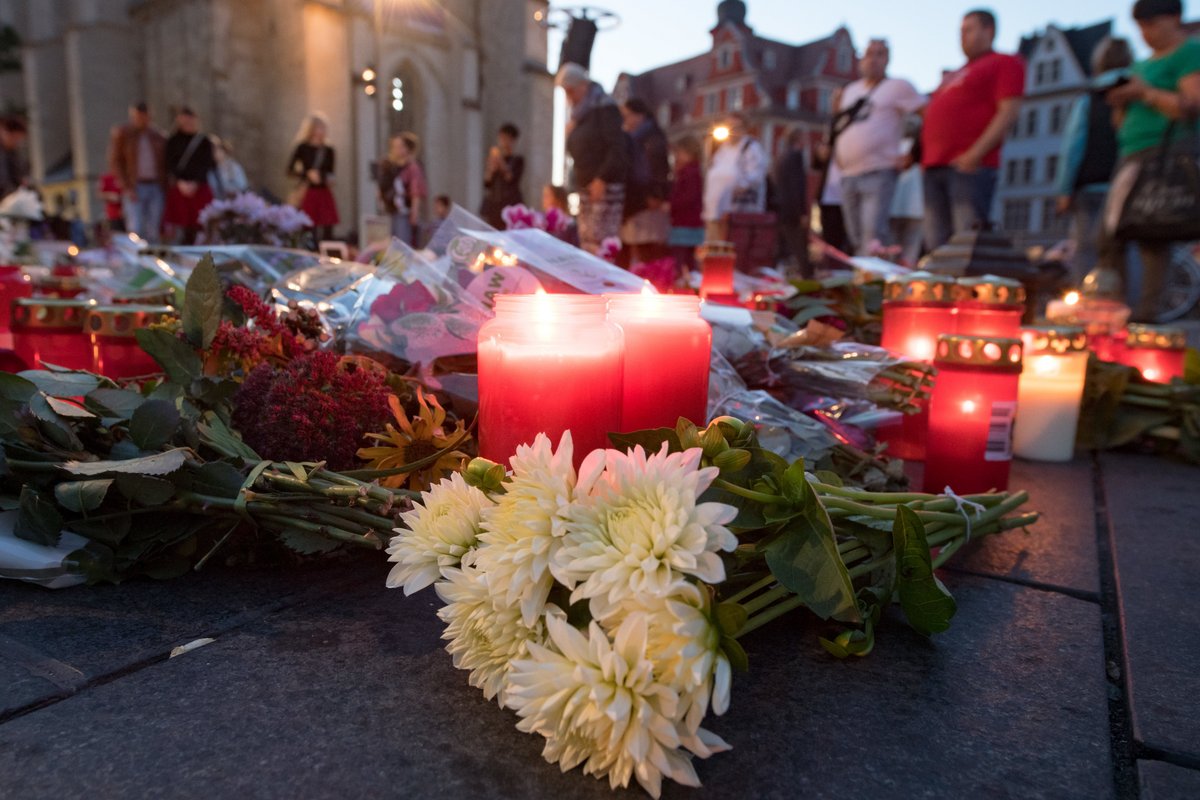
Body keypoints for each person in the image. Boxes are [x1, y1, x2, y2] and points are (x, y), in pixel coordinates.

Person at [1101, 0, 1200, 321]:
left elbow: (1190, 105)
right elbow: (1121, 126)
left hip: (1165, 155)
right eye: (1141, 27)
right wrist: (1120, 103)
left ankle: (1145, 319)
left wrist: (1145, 93)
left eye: (1152, 24)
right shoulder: (1140, 66)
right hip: (1132, 155)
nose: (1146, 33)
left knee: (1154, 235)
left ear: (1174, 18)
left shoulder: (1188, 52)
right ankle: (1112, 313)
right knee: (1111, 234)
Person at [921, 9, 1025, 250]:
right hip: (934, 165)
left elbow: (1008, 111)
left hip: (968, 165)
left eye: (968, 30)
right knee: (936, 243)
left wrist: (976, 153)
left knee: (966, 244)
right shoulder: (955, 74)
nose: (962, 37)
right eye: (961, 32)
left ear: (988, 30)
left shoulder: (1004, 63)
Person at [1053, 38, 1134, 284]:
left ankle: (1086, 306)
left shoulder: (1090, 98)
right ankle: (1129, 309)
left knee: (1086, 248)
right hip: (1130, 183)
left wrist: (1064, 190)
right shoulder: (1138, 90)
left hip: (1092, 185)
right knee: (1128, 248)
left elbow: (1073, 147)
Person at [834, 39, 926, 255]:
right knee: (856, 237)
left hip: (879, 170)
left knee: (873, 237)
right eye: (869, 54)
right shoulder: (850, 90)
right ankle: (864, 281)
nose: (873, 60)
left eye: (880, 54)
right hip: (848, 173)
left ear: (887, 59)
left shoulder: (898, 86)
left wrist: (914, 153)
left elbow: (928, 115)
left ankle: (874, 284)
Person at [556, 63, 629, 254]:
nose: (568, 97)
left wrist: (602, 178)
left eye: (570, 90)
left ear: (583, 85)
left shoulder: (605, 107)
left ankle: (604, 283)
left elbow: (617, 147)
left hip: (604, 186)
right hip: (586, 185)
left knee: (601, 245)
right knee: (587, 242)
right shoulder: (580, 114)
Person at [620, 98, 671, 264]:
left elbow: (658, 169)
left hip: (647, 201)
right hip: (638, 201)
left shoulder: (651, 139)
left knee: (646, 252)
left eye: (627, 116)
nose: (625, 121)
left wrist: (655, 195)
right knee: (637, 248)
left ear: (639, 116)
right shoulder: (636, 139)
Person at [702, 115, 768, 241]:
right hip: (716, 212)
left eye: (736, 127)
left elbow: (755, 176)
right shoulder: (723, 149)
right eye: (729, 127)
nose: (732, 131)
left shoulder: (751, 148)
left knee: (733, 249)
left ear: (744, 129)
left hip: (739, 212)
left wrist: (738, 187)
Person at [108, 102, 166, 240]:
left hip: (156, 185)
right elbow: (116, 161)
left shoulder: (157, 136)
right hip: (135, 186)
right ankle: (136, 258)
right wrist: (126, 186)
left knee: (153, 227)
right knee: (136, 227)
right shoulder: (124, 135)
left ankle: (153, 259)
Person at [162, 107, 216, 245]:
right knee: (180, 223)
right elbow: (169, 162)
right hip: (180, 187)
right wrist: (181, 182)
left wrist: (195, 182)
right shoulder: (173, 141)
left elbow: (207, 163)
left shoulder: (204, 141)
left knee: (201, 223)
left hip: (199, 186)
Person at [288, 113, 338, 243]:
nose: (321, 131)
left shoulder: (328, 150)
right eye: (318, 128)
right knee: (309, 227)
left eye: (323, 128)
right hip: (309, 191)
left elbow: (331, 172)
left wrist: (327, 178)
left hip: (323, 191)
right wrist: (307, 173)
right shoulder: (303, 147)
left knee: (328, 226)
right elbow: (290, 170)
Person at [376, 131, 428, 246]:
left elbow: (416, 191)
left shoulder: (412, 167)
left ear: (408, 148)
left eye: (400, 147)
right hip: (389, 208)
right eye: (394, 147)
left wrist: (415, 211)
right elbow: (382, 185)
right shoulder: (389, 165)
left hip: (403, 211)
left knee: (401, 241)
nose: (396, 150)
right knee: (388, 240)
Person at [773, 129, 811, 278]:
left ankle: (781, 275)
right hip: (793, 211)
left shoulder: (782, 157)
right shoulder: (796, 156)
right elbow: (797, 186)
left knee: (784, 247)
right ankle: (805, 279)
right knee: (799, 249)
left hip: (782, 209)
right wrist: (802, 212)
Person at [667, 135, 704, 272]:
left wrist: (672, 205)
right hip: (689, 222)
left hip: (685, 222)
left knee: (682, 259)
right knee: (687, 260)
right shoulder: (689, 172)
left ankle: (683, 283)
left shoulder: (690, 173)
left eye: (679, 153)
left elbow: (688, 197)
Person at [480, 123, 524, 229]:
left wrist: (500, 161)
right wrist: (491, 167)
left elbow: (511, 178)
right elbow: (487, 183)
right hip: (494, 205)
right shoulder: (494, 159)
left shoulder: (518, 160)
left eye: (506, 138)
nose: (502, 141)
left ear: (513, 140)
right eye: (501, 138)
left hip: (510, 204)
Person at [0, 117, 28, 197]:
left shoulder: (12, 153)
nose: (17, 143)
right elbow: (3, 181)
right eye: (15, 138)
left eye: (19, 140)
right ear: (5, 132)